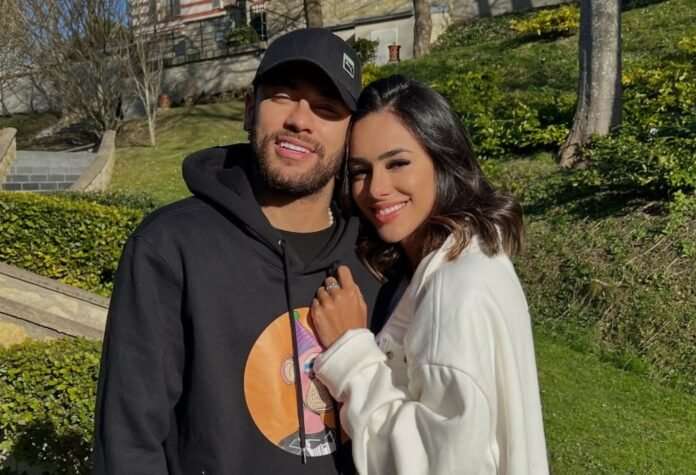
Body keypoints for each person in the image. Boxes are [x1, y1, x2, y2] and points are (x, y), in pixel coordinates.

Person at [92, 28, 389, 475]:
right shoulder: (171, 247)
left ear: (351, 136)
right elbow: (129, 442)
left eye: (327, 108)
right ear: (251, 109)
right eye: (283, 96)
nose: (300, 120)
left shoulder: (378, 255)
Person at [310, 75, 549, 474]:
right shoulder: (477, 256)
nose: (376, 189)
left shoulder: (453, 289)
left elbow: (435, 463)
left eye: (398, 163)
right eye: (360, 171)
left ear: (443, 159)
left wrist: (349, 352)